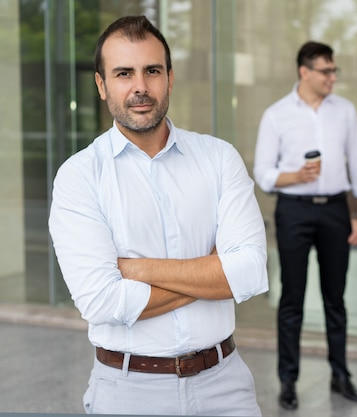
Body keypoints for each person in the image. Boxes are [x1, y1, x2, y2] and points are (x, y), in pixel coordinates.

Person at [48, 15, 268, 416]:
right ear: (101, 85)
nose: (140, 87)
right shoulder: (80, 176)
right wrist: (216, 272)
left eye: (152, 71)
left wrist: (136, 269)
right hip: (127, 392)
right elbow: (101, 301)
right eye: (123, 73)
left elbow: (250, 271)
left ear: (170, 76)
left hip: (225, 387)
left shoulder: (219, 159)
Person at [253, 41, 357, 410]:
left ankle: (341, 374)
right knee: (292, 299)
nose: (332, 77)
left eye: (334, 71)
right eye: (326, 71)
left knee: (335, 298)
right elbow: (262, 172)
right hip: (294, 211)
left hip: (336, 210)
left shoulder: (345, 111)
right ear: (304, 72)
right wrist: (296, 176)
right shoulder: (276, 115)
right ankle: (288, 380)